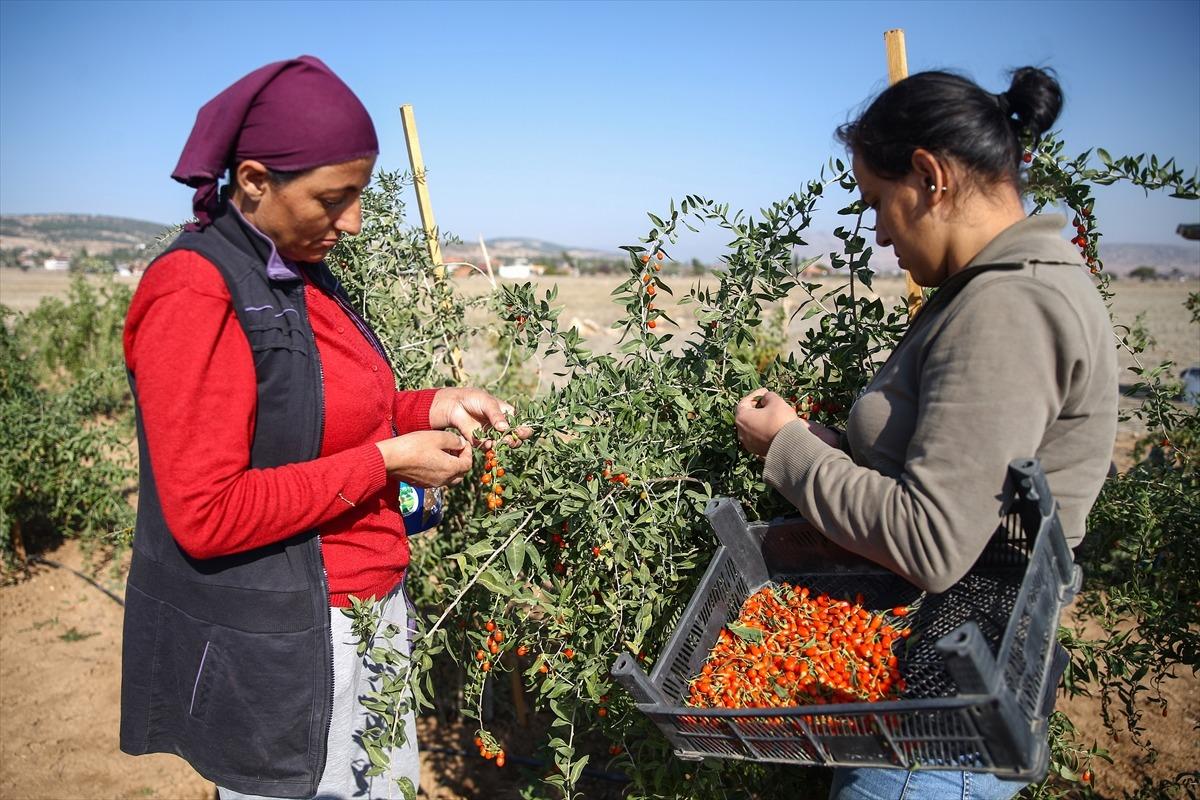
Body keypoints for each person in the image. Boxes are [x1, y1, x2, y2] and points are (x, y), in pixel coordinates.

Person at [119, 55, 526, 800]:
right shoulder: (195, 291)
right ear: (252, 180)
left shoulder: (298, 270)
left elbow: (319, 413)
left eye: (361, 195)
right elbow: (206, 515)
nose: (354, 221)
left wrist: (430, 406)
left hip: (362, 610)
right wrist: (386, 462)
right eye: (333, 198)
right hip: (289, 641)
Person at [734, 67, 1117, 800]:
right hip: (928, 680)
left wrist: (789, 448)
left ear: (929, 176)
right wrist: (839, 451)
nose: (878, 232)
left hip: (941, 729)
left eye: (879, 203)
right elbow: (959, 479)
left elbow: (932, 541)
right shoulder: (994, 287)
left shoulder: (1009, 305)